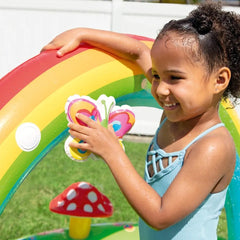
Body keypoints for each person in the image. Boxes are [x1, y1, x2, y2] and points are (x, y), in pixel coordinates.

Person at [42, 2, 239, 239]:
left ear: (219, 80)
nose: (161, 89)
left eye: (174, 77)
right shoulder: (173, 112)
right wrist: (82, 34)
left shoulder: (212, 146)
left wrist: (113, 152)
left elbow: (160, 215)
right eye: (156, 75)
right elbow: (138, 52)